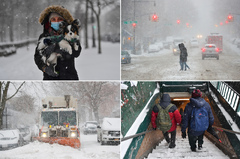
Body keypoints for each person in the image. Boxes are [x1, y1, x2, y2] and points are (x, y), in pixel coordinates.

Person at [34, 5, 81, 80]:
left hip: (69, 76)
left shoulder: (71, 33)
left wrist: (62, 49)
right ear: (49, 22)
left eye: (59, 19)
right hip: (50, 78)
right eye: (53, 19)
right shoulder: (44, 36)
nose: (56, 22)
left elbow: (77, 52)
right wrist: (45, 68)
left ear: (64, 21)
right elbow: (37, 56)